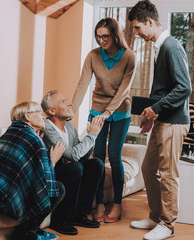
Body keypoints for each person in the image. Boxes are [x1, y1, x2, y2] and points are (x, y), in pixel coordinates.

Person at [128, 1, 191, 239]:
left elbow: (184, 88)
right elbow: (163, 89)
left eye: (137, 27)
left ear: (150, 22)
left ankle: (168, 224)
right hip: (162, 121)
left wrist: (155, 109)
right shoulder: (159, 46)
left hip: (174, 122)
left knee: (168, 173)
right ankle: (155, 216)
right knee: (148, 167)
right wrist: (150, 116)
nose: (136, 33)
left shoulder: (171, 46)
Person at [71, 17, 136, 223]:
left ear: (115, 35)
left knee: (114, 156)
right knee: (98, 157)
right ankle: (99, 202)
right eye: (98, 36)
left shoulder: (129, 57)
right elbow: (83, 85)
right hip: (97, 110)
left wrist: (107, 113)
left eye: (105, 36)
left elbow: (123, 91)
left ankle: (117, 202)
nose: (101, 40)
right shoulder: (93, 56)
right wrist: (71, 110)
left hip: (119, 112)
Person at [0, 101, 66, 240]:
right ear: (28, 116)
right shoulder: (32, 138)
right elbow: (45, 181)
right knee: (59, 189)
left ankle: (32, 233)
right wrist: (53, 160)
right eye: (39, 113)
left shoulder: (10, 134)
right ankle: (28, 233)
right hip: (3, 197)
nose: (43, 117)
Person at [41, 90, 104, 235]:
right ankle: (60, 220)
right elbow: (72, 155)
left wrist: (92, 137)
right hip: (51, 172)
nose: (70, 103)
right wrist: (92, 135)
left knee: (96, 164)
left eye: (67, 100)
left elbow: (80, 157)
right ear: (51, 110)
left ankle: (79, 215)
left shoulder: (69, 127)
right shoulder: (47, 127)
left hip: (70, 168)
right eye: (63, 102)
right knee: (75, 168)